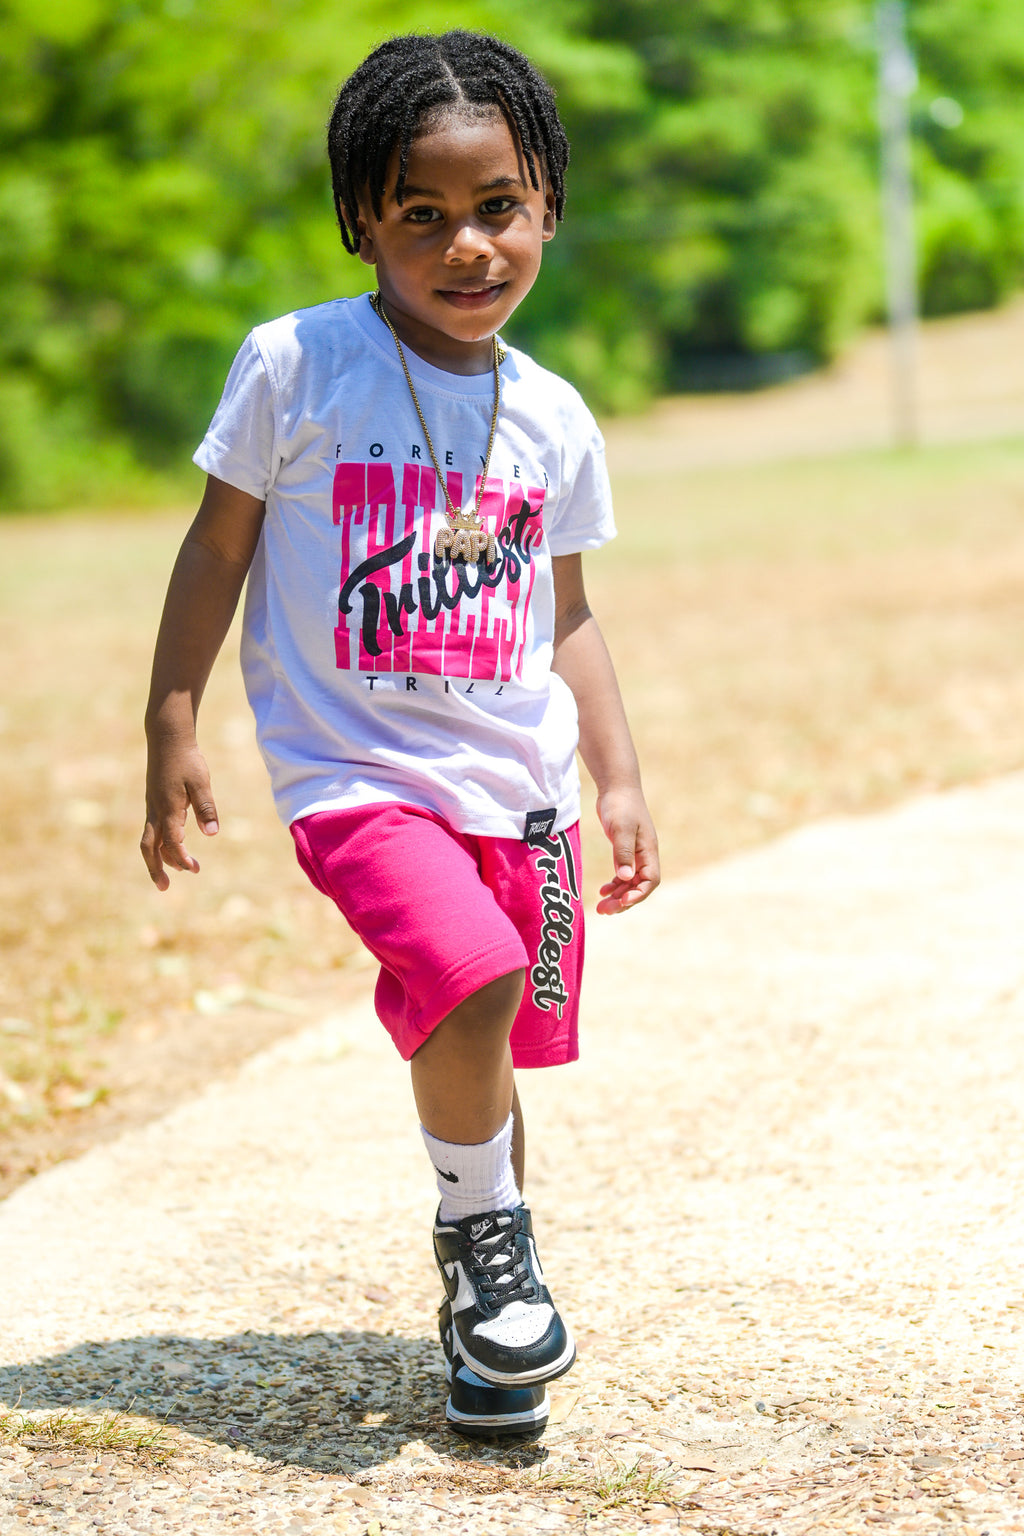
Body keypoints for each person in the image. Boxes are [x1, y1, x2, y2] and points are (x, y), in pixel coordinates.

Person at [141, 29, 659, 1439]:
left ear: (547, 207)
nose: (466, 244)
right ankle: (483, 1241)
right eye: (420, 213)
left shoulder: (552, 414)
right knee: (471, 978)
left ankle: (492, 1338)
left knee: (493, 1040)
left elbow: (566, 613)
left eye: (499, 206)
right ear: (361, 222)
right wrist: (172, 719)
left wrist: (615, 774)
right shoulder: (297, 364)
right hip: (354, 776)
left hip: (517, 789)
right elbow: (216, 547)